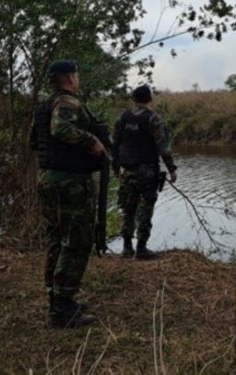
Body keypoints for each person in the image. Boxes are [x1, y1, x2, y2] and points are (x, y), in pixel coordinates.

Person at [30, 60, 108, 328]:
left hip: (49, 179)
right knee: (76, 242)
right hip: (70, 182)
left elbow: (35, 141)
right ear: (71, 78)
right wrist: (92, 141)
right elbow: (60, 129)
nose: (78, 79)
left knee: (57, 239)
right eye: (76, 75)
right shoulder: (67, 102)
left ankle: (58, 300)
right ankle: (62, 309)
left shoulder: (43, 105)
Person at [111, 84, 178, 260]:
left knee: (128, 208)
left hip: (127, 171)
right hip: (147, 171)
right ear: (150, 99)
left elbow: (114, 144)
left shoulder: (122, 118)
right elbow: (163, 147)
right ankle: (141, 248)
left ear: (133, 99)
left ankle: (126, 247)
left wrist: (115, 168)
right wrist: (172, 169)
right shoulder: (153, 119)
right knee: (146, 208)